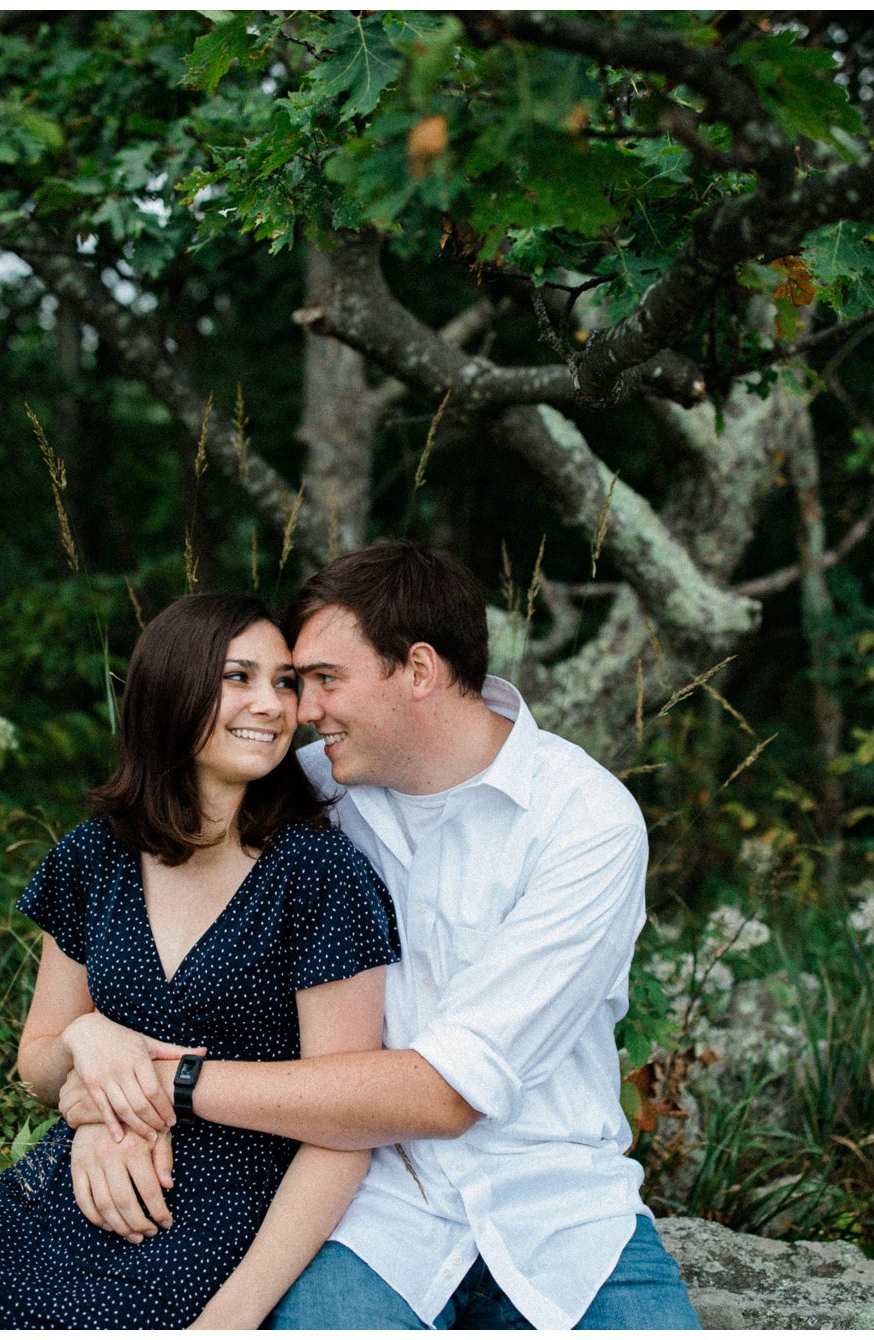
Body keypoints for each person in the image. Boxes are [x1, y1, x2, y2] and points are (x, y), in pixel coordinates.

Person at [55, 541, 700, 1329]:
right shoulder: (306, 797)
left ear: (419, 671)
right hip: (370, 1207)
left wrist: (155, 1089)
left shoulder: (582, 821)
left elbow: (447, 1092)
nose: (303, 711)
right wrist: (96, 1078)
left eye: (324, 681)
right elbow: (174, 955)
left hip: (558, 1211)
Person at [0, 593, 400, 1329]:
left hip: (206, 1231)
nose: (273, 706)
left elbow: (345, 1129)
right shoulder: (95, 855)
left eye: (284, 682)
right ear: (169, 689)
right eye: (238, 677)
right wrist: (88, 1041)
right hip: (49, 1195)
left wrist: (228, 1321)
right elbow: (37, 1064)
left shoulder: (318, 873)